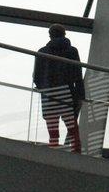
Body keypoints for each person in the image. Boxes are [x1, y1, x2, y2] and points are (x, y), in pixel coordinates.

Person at [32, 24, 84, 153]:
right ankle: (76, 151)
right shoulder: (72, 51)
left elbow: (37, 76)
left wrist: (41, 87)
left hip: (49, 92)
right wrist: (80, 94)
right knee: (72, 125)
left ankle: (53, 149)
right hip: (66, 91)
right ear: (64, 34)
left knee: (52, 125)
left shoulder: (42, 52)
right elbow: (77, 74)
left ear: (50, 35)